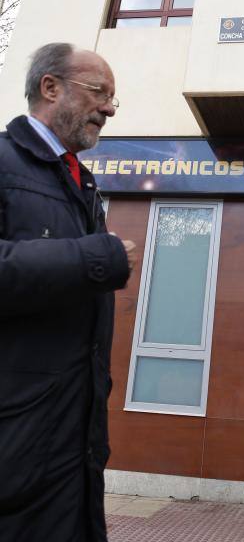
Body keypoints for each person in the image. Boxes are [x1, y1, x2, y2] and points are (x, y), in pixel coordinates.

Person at [0, 43, 137, 542]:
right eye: (100, 92)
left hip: (72, 441)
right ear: (50, 87)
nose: (109, 108)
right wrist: (94, 259)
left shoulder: (82, 182)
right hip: (16, 447)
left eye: (113, 99)